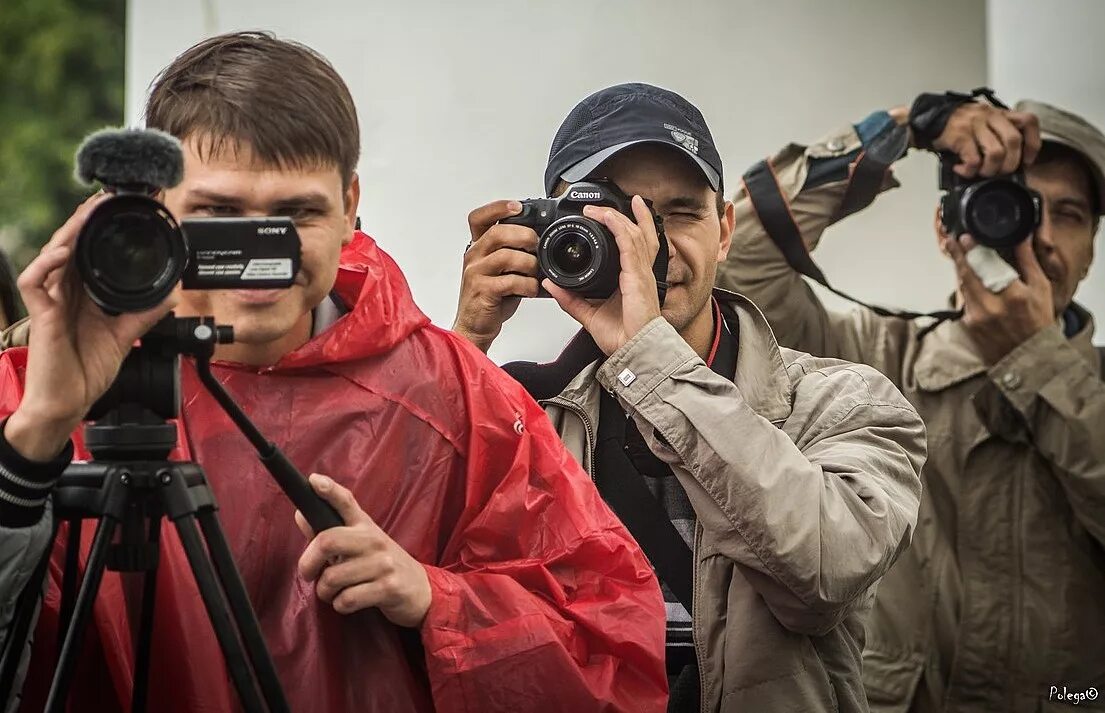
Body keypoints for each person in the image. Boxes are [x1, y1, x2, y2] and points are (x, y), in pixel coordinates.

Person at [0, 32, 669, 713]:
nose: (259, 255)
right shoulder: (46, 386)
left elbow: (612, 652)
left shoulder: (460, 399)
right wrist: (37, 435)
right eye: (218, 214)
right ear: (156, 205)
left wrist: (437, 599)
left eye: (296, 214)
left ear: (351, 204)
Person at [452, 82, 927, 713]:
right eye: (620, 216)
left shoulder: (845, 402)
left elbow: (823, 572)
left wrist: (647, 357)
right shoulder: (513, 410)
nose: (652, 246)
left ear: (725, 229)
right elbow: (394, 556)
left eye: (679, 213)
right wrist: (461, 343)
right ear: (553, 233)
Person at [719, 93, 1105, 712]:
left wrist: (1035, 358)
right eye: (1018, 206)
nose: (1043, 238)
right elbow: (731, 264)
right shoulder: (870, 360)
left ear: (1091, 249)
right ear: (950, 226)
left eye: (1071, 214)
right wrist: (901, 128)